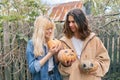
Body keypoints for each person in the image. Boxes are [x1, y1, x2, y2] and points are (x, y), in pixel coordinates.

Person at [58, 8, 110, 80]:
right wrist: (66, 65)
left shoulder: (94, 40)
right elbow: (61, 70)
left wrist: (92, 65)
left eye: (73, 22)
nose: (70, 25)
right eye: (69, 22)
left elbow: (105, 60)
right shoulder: (63, 42)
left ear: (81, 22)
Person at [26, 16, 62, 80]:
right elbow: (32, 69)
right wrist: (50, 54)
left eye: (51, 28)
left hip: (55, 77)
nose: (50, 31)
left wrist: (56, 54)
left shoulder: (54, 42)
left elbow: (57, 64)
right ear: (40, 30)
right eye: (47, 29)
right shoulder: (32, 44)